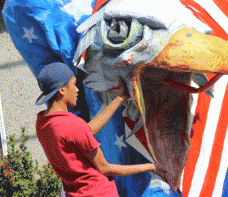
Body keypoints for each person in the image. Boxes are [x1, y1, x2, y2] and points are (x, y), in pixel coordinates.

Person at [35, 62, 158, 196]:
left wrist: (119, 98)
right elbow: (105, 168)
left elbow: (84, 132)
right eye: (74, 84)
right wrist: (151, 166)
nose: (77, 89)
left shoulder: (42, 123)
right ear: (62, 90)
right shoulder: (72, 125)